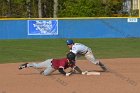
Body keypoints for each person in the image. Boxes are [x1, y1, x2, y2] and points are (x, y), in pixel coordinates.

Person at [18, 52, 83, 76]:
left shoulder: (71, 62)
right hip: (50, 62)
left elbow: (75, 67)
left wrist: (81, 72)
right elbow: (60, 70)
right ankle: (26, 65)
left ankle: (44, 71)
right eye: (72, 59)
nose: (73, 60)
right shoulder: (64, 61)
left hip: (53, 68)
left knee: (45, 74)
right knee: (37, 66)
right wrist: (66, 74)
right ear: (69, 59)